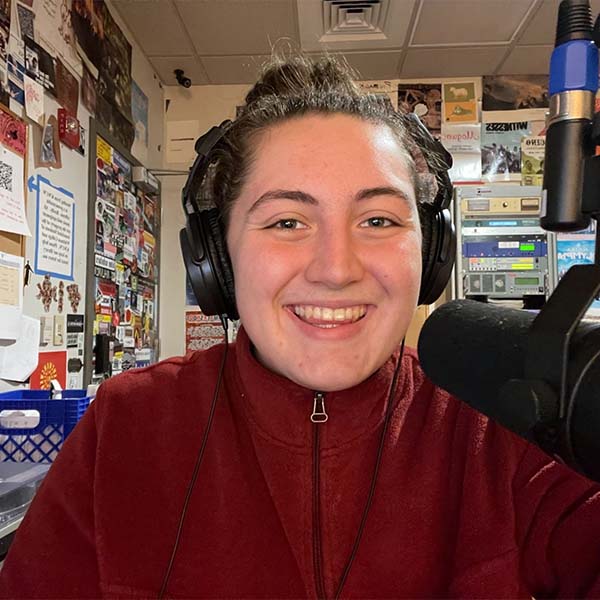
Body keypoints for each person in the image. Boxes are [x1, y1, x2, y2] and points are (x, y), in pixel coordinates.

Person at [2, 55, 600, 599]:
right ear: (218, 256)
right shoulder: (124, 425)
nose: (336, 269)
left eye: (378, 218)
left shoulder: (504, 423)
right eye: (287, 221)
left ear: (432, 250)